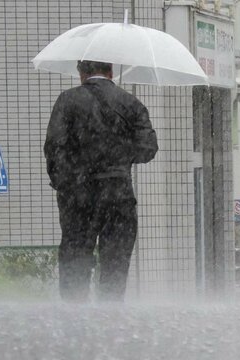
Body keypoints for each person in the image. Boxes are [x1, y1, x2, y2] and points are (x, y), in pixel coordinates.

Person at [44, 60, 158, 302]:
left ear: (81, 74)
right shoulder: (131, 104)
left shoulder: (68, 101)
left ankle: (74, 325)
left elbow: (54, 147)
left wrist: (66, 183)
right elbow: (148, 149)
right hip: (118, 195)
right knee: (115, 268)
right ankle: (110, 326)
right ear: (111, 72)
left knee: (75, 260)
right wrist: (117, 155)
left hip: (78, 196)